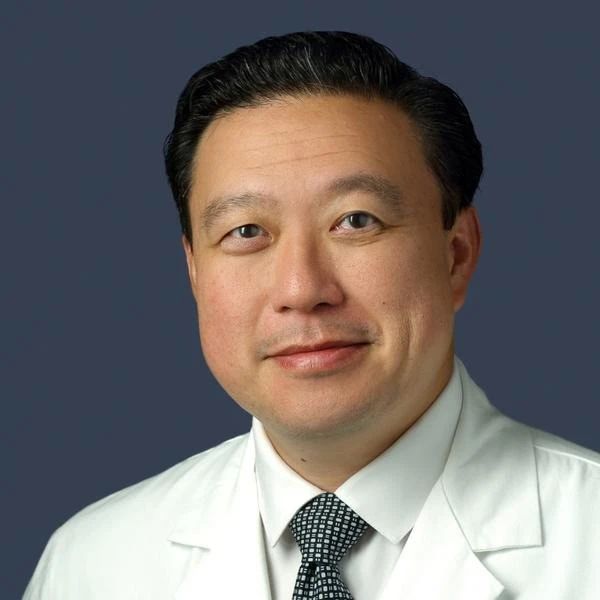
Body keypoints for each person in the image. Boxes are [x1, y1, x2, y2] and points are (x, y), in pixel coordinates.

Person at [24, 31, 600, 600]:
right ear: (194, 271)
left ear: (457, 255)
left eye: (356, 221)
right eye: (246, 231)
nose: (302, 290)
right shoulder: (93, 563)